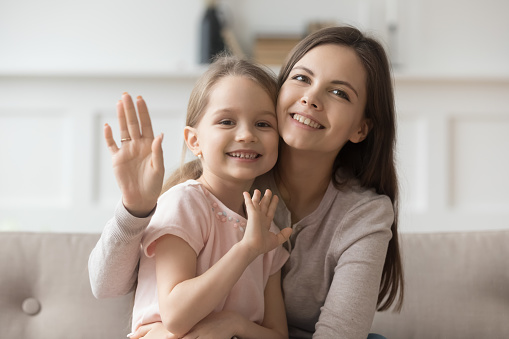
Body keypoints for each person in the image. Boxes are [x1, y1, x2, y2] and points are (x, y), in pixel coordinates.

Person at [89, 25, 404, 339]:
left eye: (339, 93)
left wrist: (234, 327)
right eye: (302, 78)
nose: (311, 98)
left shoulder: (361, 215)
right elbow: (109, 287)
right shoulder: (227, 178)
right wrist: (136, 209)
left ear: (360, 129)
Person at [95, 56, 293, 338]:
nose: (247, 134)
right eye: (226, 121)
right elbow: (176, 316)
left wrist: (235, 324)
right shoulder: (185, 204)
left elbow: (278, 335)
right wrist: (246, 250)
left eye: (263, 124)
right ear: (194, 140)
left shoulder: (267, 229)